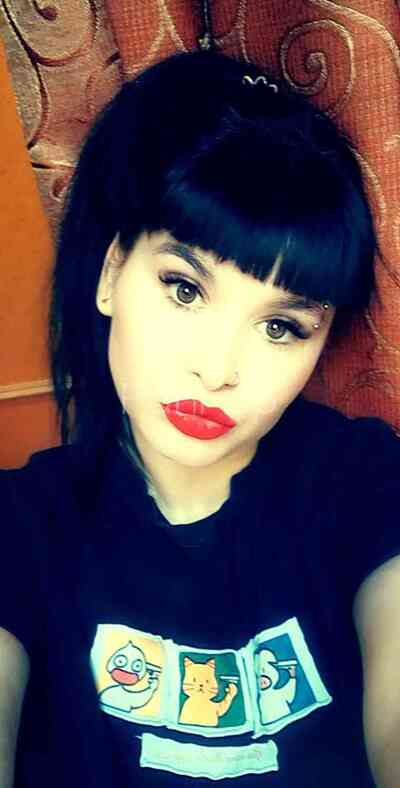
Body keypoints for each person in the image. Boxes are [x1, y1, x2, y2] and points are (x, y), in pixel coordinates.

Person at [1, 49, 400, 788]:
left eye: (281, 327)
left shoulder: (364, 484)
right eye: (185, 289)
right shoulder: (23, 526)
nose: (218, 370)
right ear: (112, 273)